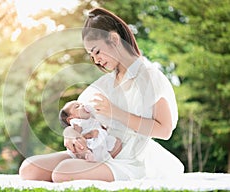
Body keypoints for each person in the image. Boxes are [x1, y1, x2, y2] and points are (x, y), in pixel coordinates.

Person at [19, 7, 184, 182]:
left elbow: (164, 131)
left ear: (114, 39)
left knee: (63, 172)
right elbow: (78, 116)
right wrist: (70, 133)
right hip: (98, 150)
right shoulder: (105, 83)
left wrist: (117, 114)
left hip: (130, 158)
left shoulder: (149, 77)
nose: (96, 60)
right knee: (29, 169)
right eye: (91, 56)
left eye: (96, 51)